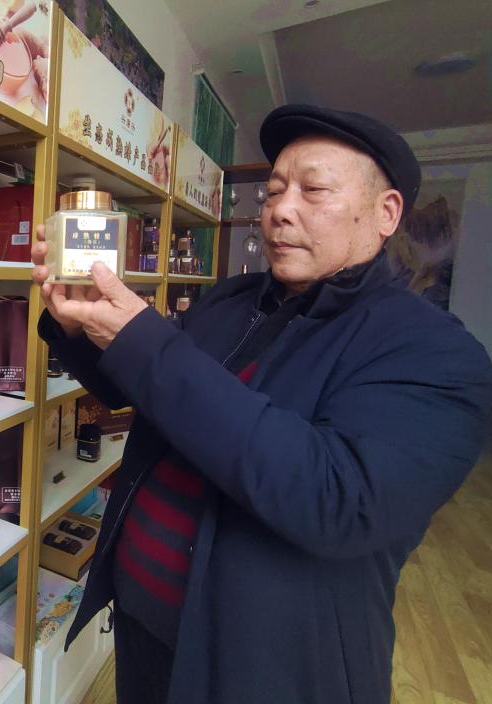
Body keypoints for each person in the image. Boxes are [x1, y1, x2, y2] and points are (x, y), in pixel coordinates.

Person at [32, 105, 492, 704]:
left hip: (264, 673)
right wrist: (78, 324)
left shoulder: (435, 352)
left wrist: (145, 343)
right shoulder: (232, 299)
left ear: (386, 213)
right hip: (141, 628)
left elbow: (337, 497)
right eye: (273, 191)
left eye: (313, 190)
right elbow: (138, 387)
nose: (280, 209)